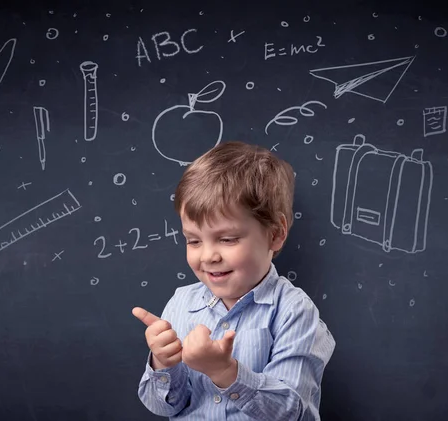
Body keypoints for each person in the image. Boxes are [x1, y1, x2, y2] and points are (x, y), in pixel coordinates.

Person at [132, 141, 335, 420]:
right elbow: (164, 406)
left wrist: (225, 372)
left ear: (275, 234)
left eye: (227, 239)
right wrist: (163, 364)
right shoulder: (181, 304)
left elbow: (293, 412)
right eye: (193, 241)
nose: (208, 256)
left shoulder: (293, 311)